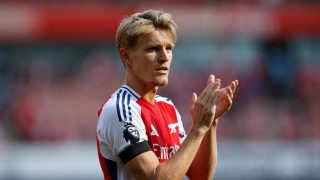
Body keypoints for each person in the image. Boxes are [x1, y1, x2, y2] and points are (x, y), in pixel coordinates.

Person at [96, 9, 238, 180]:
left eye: (168, 48)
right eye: (153, 49)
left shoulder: (167, 106)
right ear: (126, 56)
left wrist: (210, 122)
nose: (164, 57)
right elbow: (156, 178)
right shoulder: (120, 110)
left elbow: (199, 176)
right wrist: (198, 128)